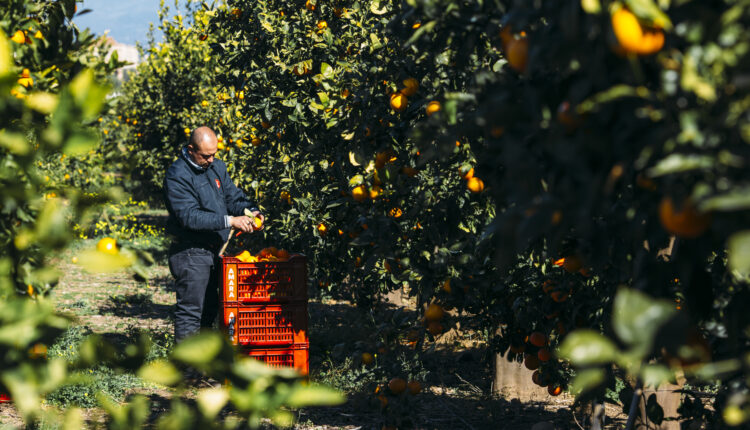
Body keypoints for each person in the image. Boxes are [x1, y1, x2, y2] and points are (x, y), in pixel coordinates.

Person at [164, 126, 264, 343]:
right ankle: (188, 374)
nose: (211, 160)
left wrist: (252, 211)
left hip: (214, 251)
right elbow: (189, 216)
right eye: (205, 155)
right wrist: (230, 220)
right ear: (191, 149)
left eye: (214, 154)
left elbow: (233, 197)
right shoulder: (177, 174)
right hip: (190, 252)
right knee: (191, 314)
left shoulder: (216, 167)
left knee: (209, 312)